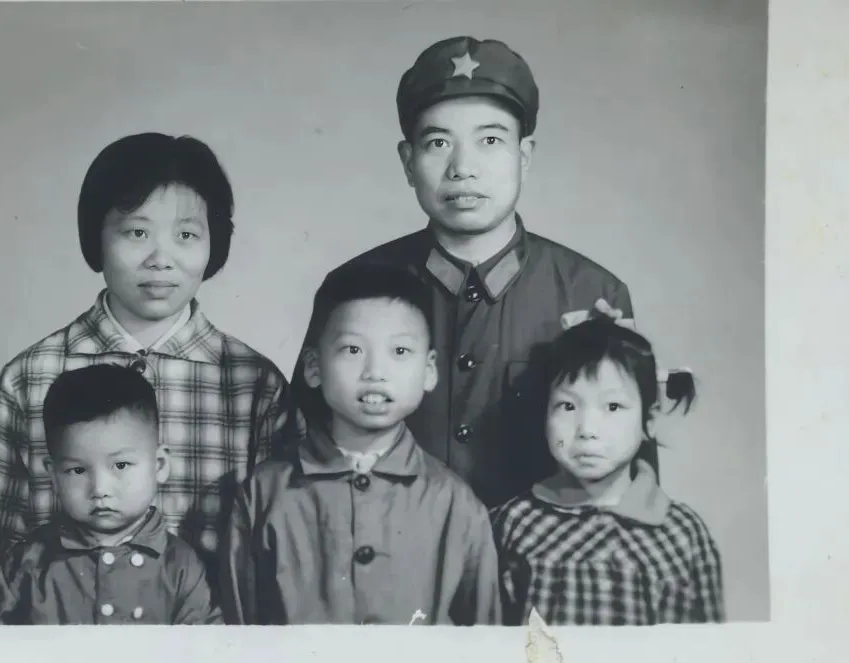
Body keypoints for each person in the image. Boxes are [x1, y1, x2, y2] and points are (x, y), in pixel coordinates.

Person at [290, 35, 655, 510]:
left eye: (490, 141)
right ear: (408, 162)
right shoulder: (353, 287)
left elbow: (632, 486)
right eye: (439, 143)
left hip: (538, 555)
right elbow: (301, 456)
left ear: (524, 156)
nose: (463, 168)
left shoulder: (592, 293)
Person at [0, 132, 297, 624]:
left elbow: (279, 560)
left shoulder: (253, 385)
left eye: (186, 235)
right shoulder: (28, 378)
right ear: (96, 237)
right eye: (136, 233)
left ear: (214, 243)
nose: (161, 258)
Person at [221, 261, 501, 625]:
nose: (375, 372)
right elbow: (238, 628)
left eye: (400, 351)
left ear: (429, 370)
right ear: (314, 367)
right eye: (353, 349)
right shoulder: (263, 493)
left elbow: (485, 638)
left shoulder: (455, 502)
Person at [491, 311, 725, 625]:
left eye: (613, 406)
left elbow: (709, 644)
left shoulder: (683, 533)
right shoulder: (512, 524)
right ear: (544, 414)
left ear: (649, 420)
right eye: (567, 406)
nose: (587, 429)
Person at [0, 365, 223, 625]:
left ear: (159, 465)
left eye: (121, 465)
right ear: (54, 475)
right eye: (78, 470)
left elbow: (205, 648)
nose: (100, 490)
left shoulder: (183, 567)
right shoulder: (24, 564)